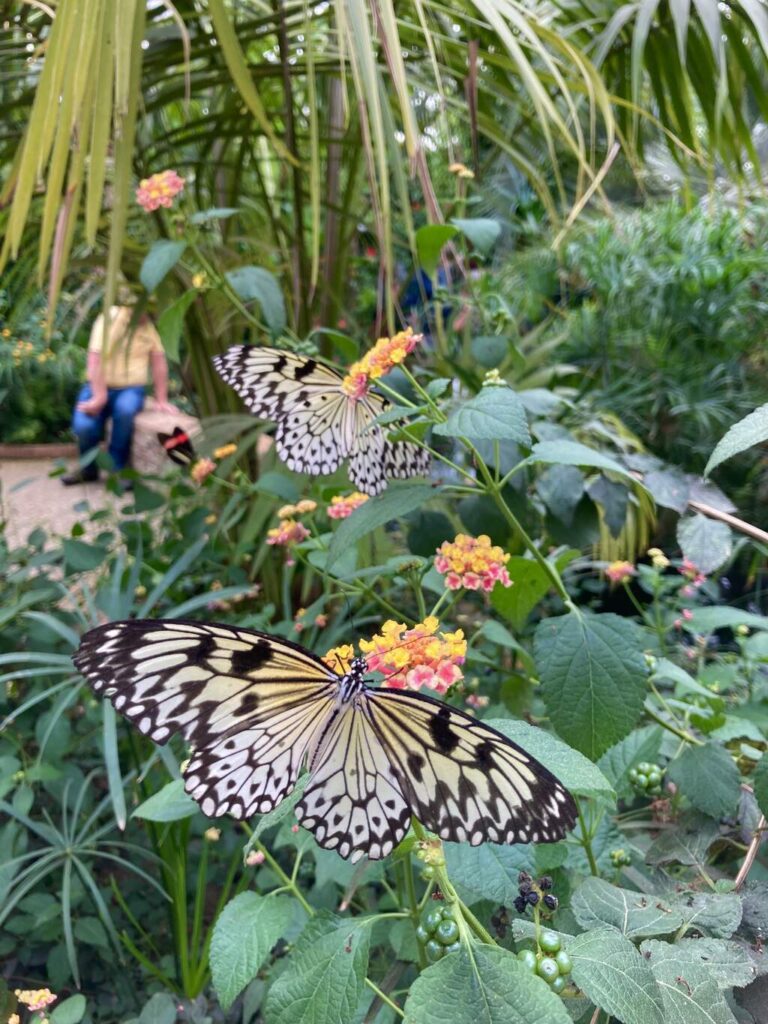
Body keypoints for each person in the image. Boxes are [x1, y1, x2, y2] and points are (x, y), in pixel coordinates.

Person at [62, 305, 173, 485]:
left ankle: (117, 469)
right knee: (84, 426)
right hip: (97, 385)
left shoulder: (149, 328)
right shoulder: (110, 318)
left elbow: (159, 362)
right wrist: (99, 396)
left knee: (125, 410)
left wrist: (161, 399)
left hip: (130, 389)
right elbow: (94, 358)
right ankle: (88, 469)